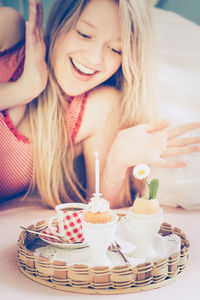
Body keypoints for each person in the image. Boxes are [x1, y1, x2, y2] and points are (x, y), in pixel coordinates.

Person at [0, 0, 199, 209]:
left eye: (115, 49)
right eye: (85, 34)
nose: (95, 59)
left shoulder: (98, 108)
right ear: (61, 22)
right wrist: (23, 89)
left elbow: (101, 210)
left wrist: (118, 158)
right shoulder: (9, 31)